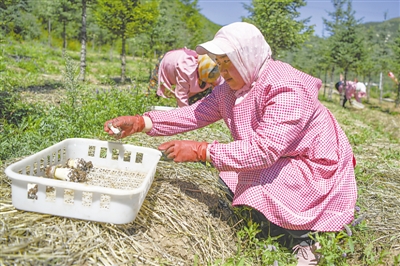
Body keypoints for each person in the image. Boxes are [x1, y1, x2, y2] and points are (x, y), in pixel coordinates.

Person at [104, 22, 357, 265]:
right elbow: (194, 113)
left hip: (314, 164)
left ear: (247, 57)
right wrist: (142, 122)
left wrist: (202, 151)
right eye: (219, 64)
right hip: (283, 156)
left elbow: (264, 149)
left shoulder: (285, 87)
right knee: (233, 176)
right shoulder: (232, 87)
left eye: (228, 63)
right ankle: (280, 223)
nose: (222, 72)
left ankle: (309, 238)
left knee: (258, 181)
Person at [148, 47, 224, 107]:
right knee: (153, 91)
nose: (212, 81)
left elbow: (220, 89)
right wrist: (185, 115)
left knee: (205, 94)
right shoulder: (186, 70)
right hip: (167, 62)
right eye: (210, 78)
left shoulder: (215, 69)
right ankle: (147, 106)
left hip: (189, 71)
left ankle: (193, 108)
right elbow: (181, 94)